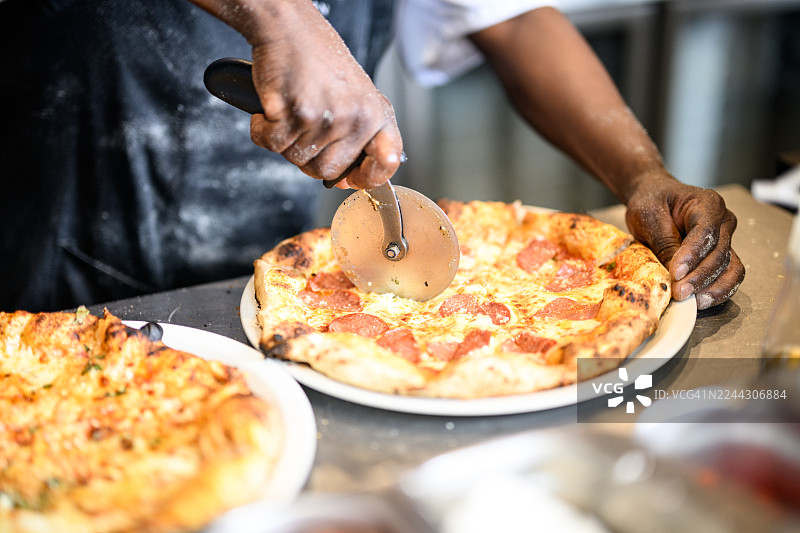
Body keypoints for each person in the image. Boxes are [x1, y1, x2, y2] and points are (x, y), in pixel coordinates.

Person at [0, 0, 744, 313]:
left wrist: (643, 174)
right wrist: (284, 18)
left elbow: (507, 21)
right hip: (47, 262)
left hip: (286, 283)